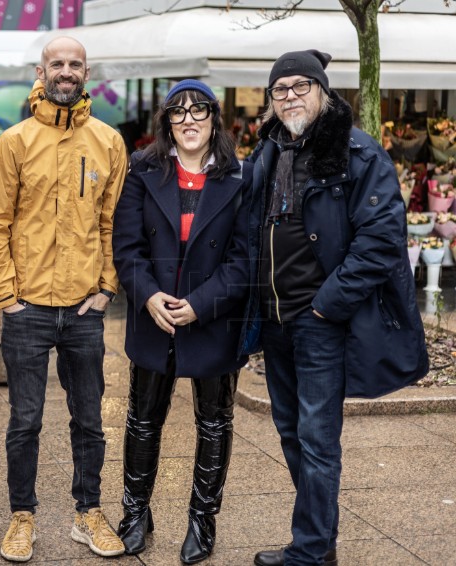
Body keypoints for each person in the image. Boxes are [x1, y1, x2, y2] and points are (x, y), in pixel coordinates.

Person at [242, 50, 429, 566]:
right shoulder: (268, 151)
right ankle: (318, 540)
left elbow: (382, 240)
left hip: (319, 321)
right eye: (280, 89)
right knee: (289, 432)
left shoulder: (358, 152)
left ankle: (311, 550)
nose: (290, 97)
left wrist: (327, 307)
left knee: (316, 438)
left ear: (324, 91)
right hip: (275, 320)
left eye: (301, 86)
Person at [0, 37, 127, 562]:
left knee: (89, 418)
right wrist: (8, 296)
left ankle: (88, 512)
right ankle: (23, 516)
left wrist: (107, 287)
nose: (66, 71)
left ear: (87, 72)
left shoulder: (109, 141)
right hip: (29, 310)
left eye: (75, 64)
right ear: (41, 72)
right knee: (25, 420)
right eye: (57, 64)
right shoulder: (15, 142)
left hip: (84, 307)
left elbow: (113, 223)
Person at [112, 79, 252, 564]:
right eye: (178, 112)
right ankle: (134, 514)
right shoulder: (142, 170)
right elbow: (126, 246)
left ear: (215, 118)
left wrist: (201, 303)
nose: (189, 119)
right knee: (143, 419)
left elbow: (245, 258)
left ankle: (201, 520)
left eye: (199, 110)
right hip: (154, 317)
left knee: (214, 423)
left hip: (213, 318)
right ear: (166, 122)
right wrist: (148, 296)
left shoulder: (241, 178)